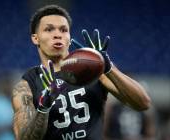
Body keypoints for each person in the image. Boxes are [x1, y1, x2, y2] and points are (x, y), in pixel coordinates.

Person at [11, 4, 151, 140]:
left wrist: (108, 68)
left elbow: (143, 103)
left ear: (69, 38)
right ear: (35, 38)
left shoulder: (93, 70)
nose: (57, 35)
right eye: (49, 29)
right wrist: (43, 107)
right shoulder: (27, 84)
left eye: (63, 30)